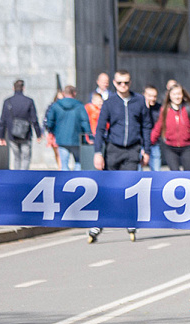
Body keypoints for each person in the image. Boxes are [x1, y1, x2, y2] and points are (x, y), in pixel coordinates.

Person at [89, 69, 151, 242]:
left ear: (130, 83)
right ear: (114, 84)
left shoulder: (139, 101)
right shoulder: (109, 102)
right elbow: (100, 129)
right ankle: (98, 223)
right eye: (119, 83)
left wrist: (146, 150)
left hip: (132, 150)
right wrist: (98, 153)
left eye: (126, 82)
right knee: (108, 187)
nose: (123, 86)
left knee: (129, 186)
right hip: (113, 149)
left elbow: (146, 126)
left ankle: (130, 221)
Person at [44, 85, 91, 170]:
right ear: (74, 93)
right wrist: (89, 136)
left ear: (63, 93)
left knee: (64, 164)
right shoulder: (79, 106)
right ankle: (77, 181)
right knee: (78, 162)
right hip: (76, 138)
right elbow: (85, 122)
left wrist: (53, 131)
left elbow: (50, 121)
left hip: (61, 138)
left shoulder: (56, 105)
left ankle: (66, 182)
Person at [0, 78, 41, 170]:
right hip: (26, 134)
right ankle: (24, 177)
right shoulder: (29, 101)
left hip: (12, 134)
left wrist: (1, 136)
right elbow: (34, 119)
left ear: (13, 88)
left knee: (16, 158)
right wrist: (38, 134)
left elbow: (3, 120)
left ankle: (16, 177)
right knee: (26, 158)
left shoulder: (7, 101)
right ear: (23, 88)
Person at [143, 85, 162, 171]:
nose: (152, 98)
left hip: (154, 143)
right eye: (150, 96)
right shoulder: (139, 107)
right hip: (141, 144)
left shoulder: (159, 108)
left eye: (154, 96)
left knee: (156, 171)